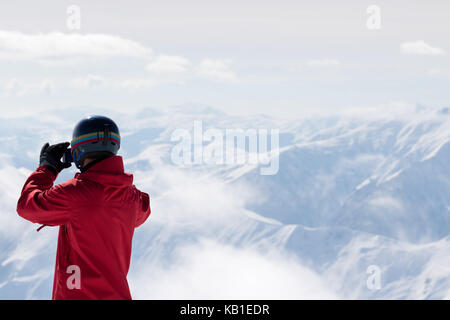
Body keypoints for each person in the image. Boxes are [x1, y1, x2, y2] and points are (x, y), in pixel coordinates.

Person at [16, 115, 151, 300]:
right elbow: (143, 209)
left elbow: (27, 206)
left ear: (79, 153)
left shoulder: (74, 193)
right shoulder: (132, 198)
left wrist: (47, 169)